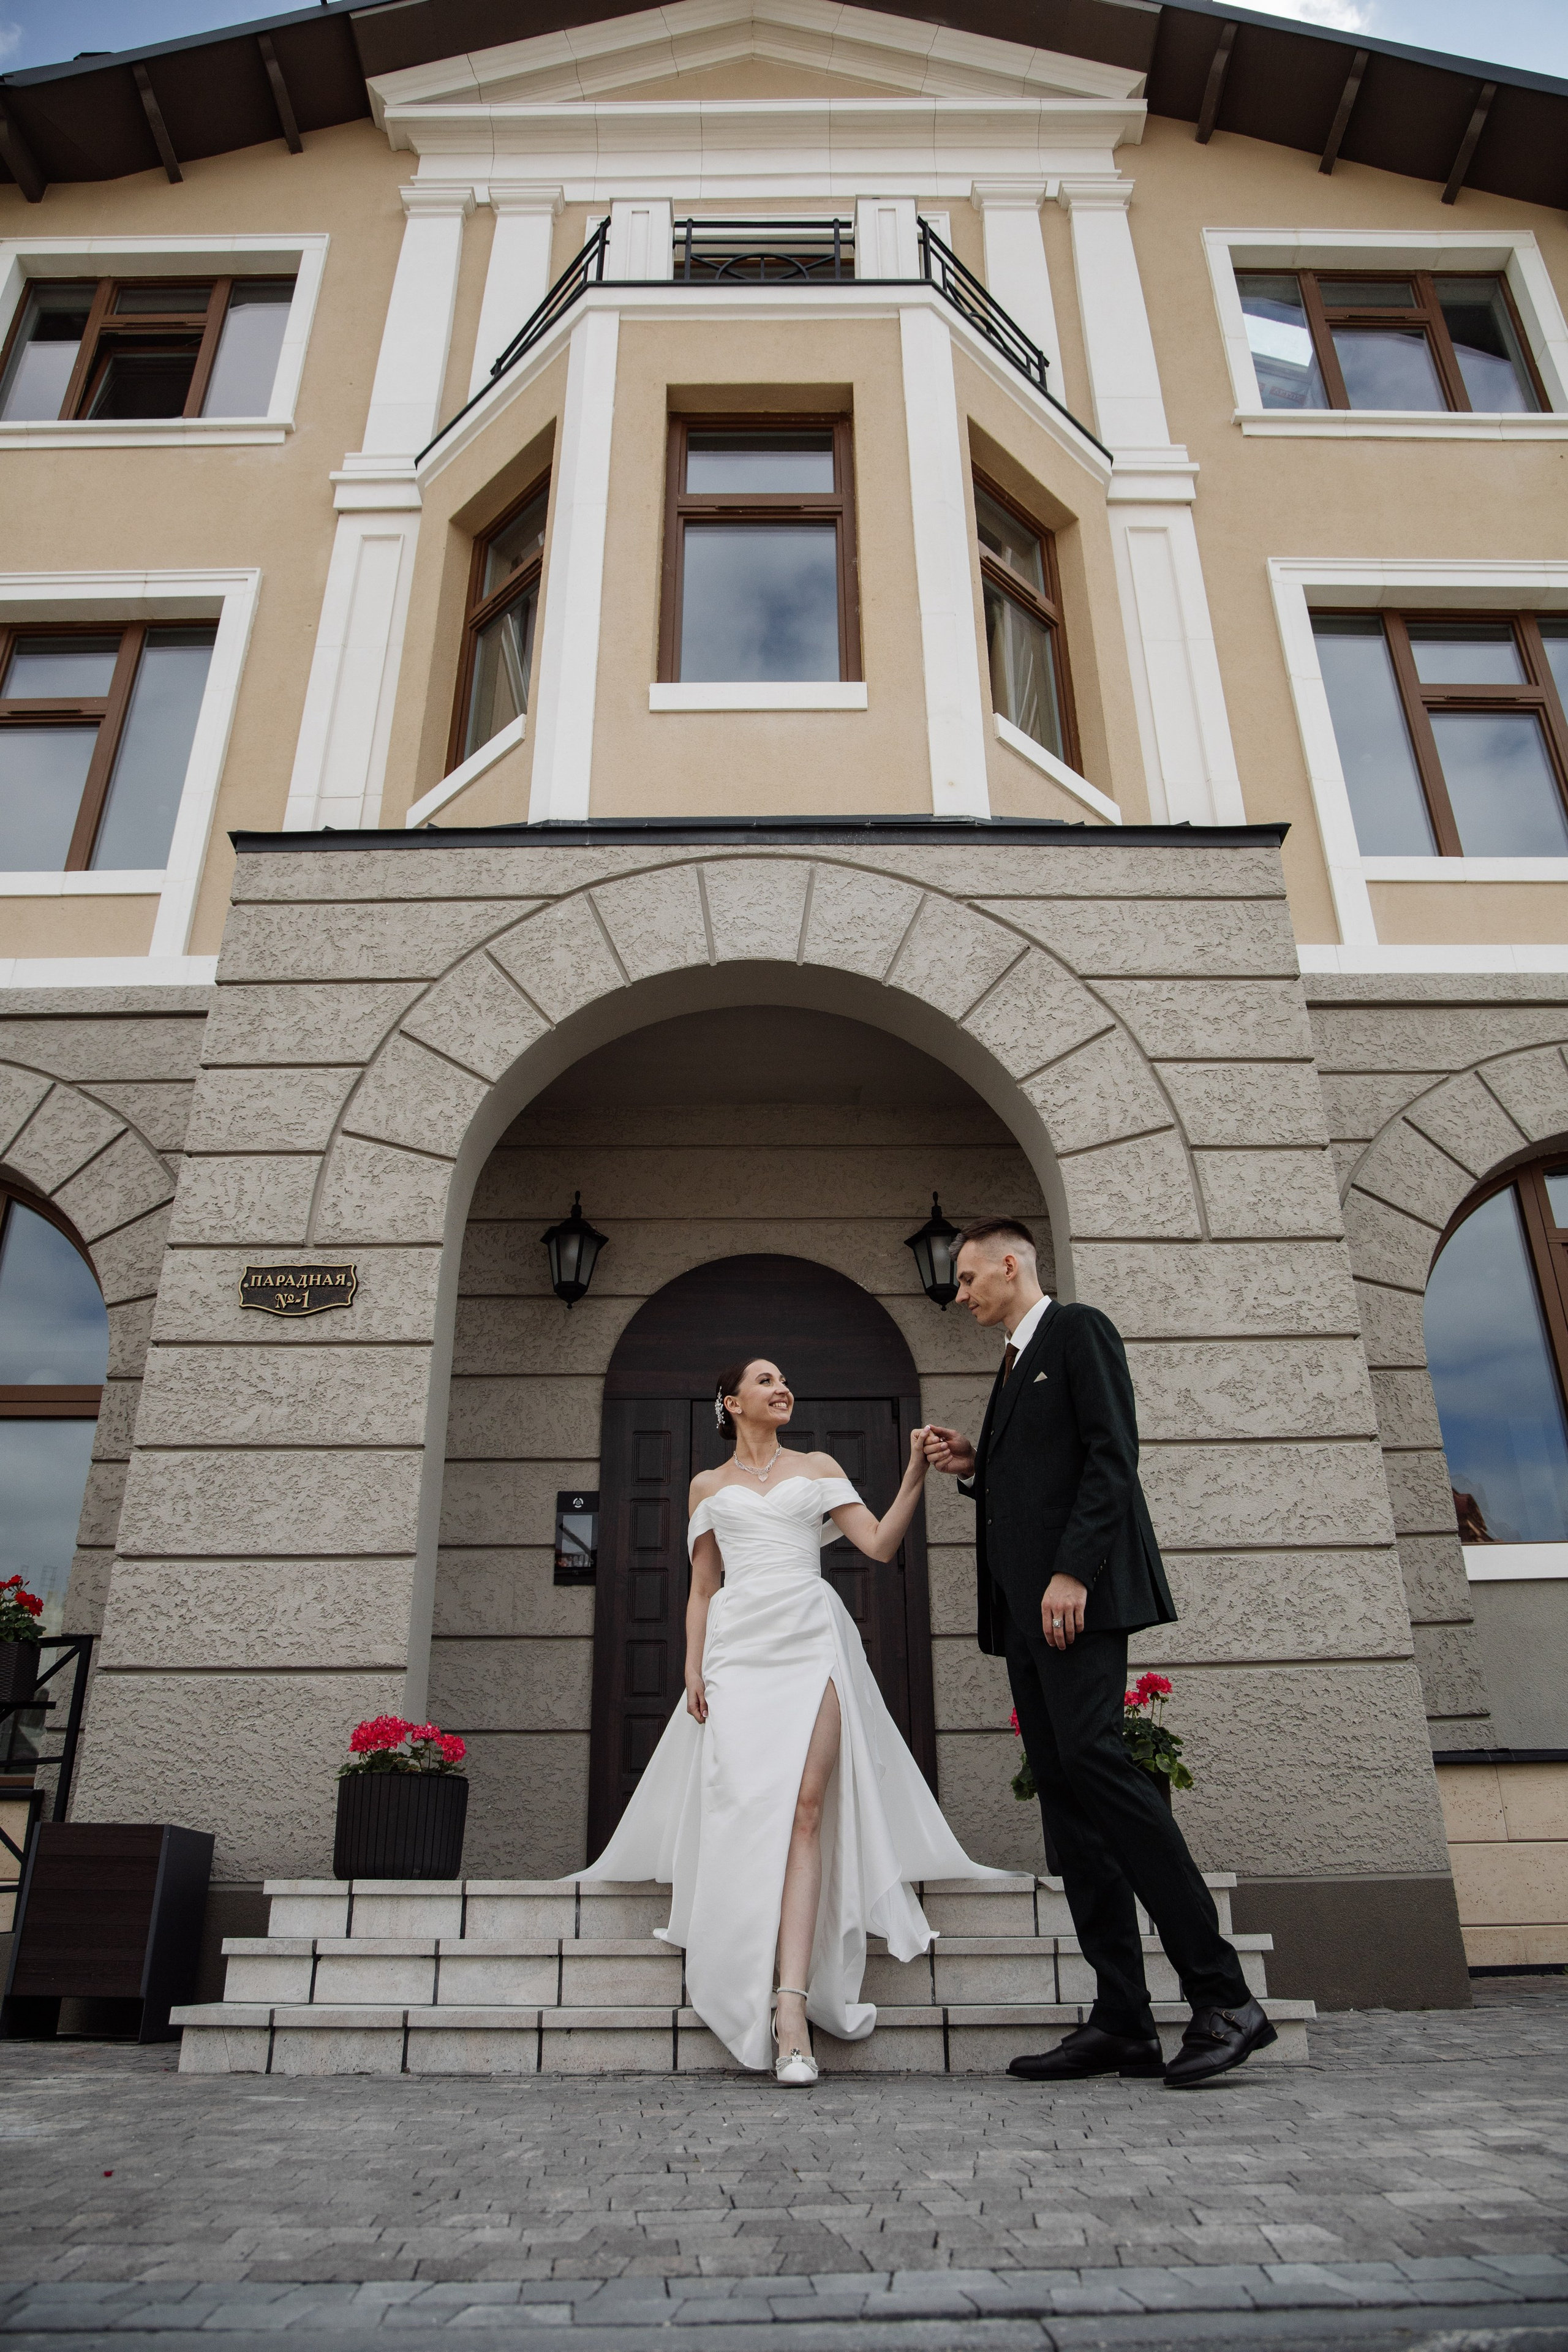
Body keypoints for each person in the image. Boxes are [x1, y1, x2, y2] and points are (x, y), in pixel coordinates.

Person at [922, 1218, 1276, 2090]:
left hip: (1073, 1603)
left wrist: (1074, 1572)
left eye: (969, 1278)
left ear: (1011, 1264)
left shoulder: (1078, 1330)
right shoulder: (1010, 1362)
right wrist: (977, 1463)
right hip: (1024, 1617)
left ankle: (1224, 1997)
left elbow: (1112, 1458)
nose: (960, 1294)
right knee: (1067, 1798)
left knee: (1097, 1764)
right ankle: (1122, 2018)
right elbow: (1043, 1469)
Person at [579, 1355, 1003, 2082]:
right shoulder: (705, 1487)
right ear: (731, 1401)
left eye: (784, 1381)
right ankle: (737, 1960)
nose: (783, 1389)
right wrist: (691, 1665)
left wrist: (911, 1477)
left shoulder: (817, 1465)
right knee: (747, 1808)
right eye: (766, 1380)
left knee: (807, 1808)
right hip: (738, 1650)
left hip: (813, 1638)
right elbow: (702, 1586)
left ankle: (790, 2007)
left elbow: (877, 1544)